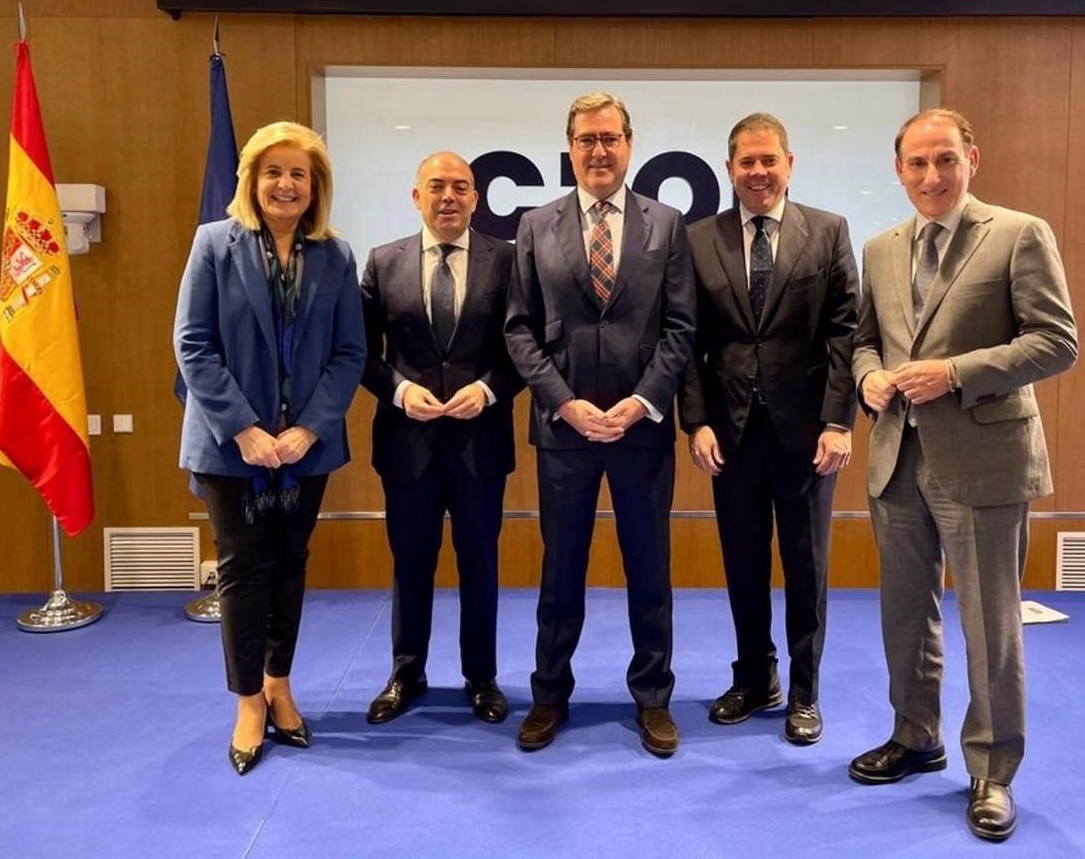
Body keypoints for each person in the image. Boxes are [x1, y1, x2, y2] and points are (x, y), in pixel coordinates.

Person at [850, 109, 1077, 841]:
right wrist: (869, 382)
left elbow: (1055, 342)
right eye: (916, 163)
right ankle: (916, 736)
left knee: (990, 625)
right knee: (904, 615)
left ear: (971, 159)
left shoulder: (1018, 233)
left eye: (944, 159)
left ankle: (993, 770)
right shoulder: (880, 248)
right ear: (898, 170)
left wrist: (954, 373)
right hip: (898, 457)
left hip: (984, 460)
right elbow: (862, 344)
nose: (930, 176)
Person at [504, 92, 696, 756]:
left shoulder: (667, 225)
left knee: (651, 567)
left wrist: (643, 401)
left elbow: (681, 328)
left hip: (641, 429)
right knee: (561, 571)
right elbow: (520, 330)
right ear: (570, 148)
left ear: (629, 144)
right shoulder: (535, 225)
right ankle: (549, 694)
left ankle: (653, 698)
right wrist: (563, 401)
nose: (599, 151)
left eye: (610, 138)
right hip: (564, 431)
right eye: (586, 140)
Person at [174, 121, 365, 776]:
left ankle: (281, 682)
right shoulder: (213, 246)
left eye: (299, 174)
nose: (286, 185)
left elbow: (350, 353)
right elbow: (193, 345)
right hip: (232, 450)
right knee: (243, 570)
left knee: (290, 563)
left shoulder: (336, 258)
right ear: (251, 180)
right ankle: (249, 700)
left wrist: (308, 428)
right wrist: (247, 431)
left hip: (305, 448)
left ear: (316, 188)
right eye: (273, 172)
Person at [679, 112, 859, 744]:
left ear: (789, 164)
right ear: (730, 169)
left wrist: (840, 420)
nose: (758, 172)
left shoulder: (829, 232)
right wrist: (695, 422)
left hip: (808, 436)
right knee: (744, 563)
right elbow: (688, 341)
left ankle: (805, 694)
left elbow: (846, 333)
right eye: (746, 162)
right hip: (730, 435)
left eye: (768, 160)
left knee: (807, 567)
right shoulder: (698, 239)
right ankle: (755, 678)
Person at [360, 151, 520, 726]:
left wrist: (491, 389)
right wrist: (400, 392)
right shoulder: (382, 262)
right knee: (411, 564)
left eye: (460, 187)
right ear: (416, 196)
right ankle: (407, 673)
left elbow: (522, 349)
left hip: (481, 443)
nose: (448, 196)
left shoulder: (508, 261)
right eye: (437, 186)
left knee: (480, 564)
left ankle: (482, 678)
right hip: (408, 444)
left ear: (476, 199)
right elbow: (361, 354)